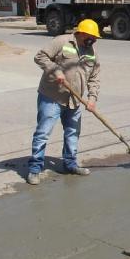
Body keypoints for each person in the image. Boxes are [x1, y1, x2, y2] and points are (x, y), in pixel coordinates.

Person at [27, 19, 102, 185]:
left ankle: (70, 164)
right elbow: (40, 56)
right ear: (81, 33)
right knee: (43, 133)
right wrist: (55, 70)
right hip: (52, 96)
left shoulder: (92, 52)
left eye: (95, 38)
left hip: (75, 100)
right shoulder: (62, 41)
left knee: (73, 133)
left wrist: (92, 99)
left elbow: (94, 78)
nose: (93, 40)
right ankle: (34, 169)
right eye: (91, 37)